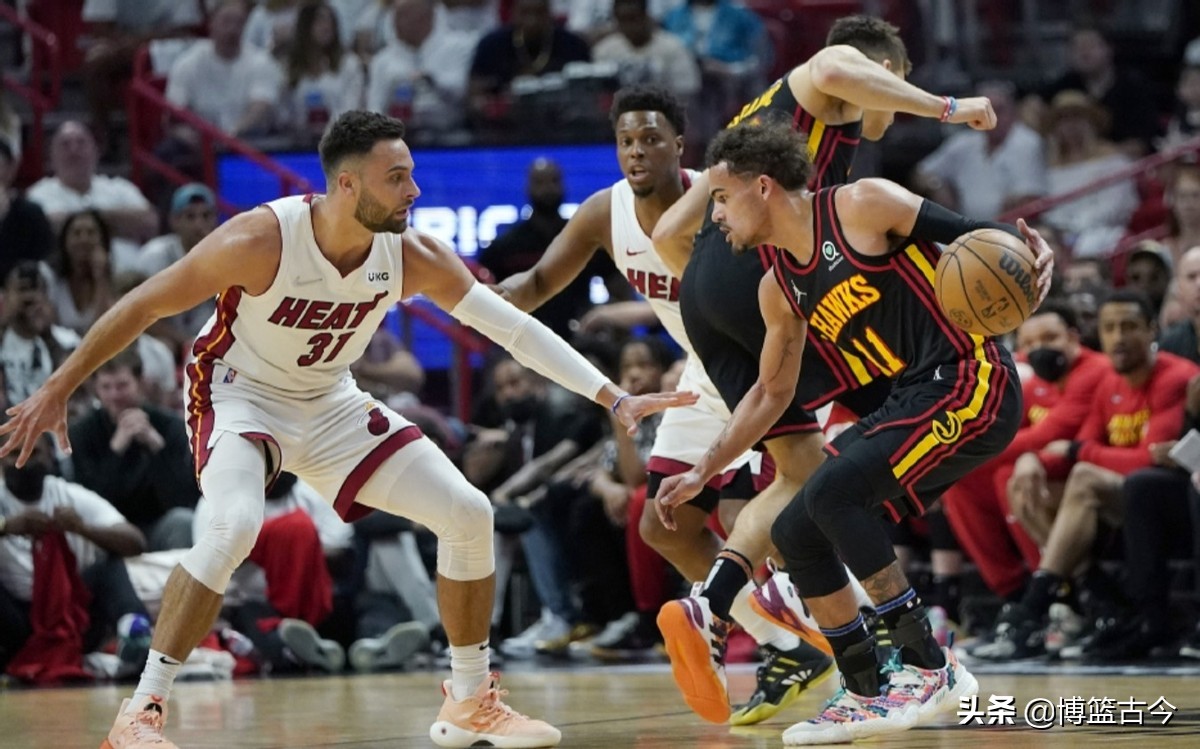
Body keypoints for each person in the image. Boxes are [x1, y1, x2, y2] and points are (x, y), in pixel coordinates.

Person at [0, 110, 694, 749]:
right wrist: (59, 386)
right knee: (231, 526)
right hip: (239, 396)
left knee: (468, 512)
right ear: (344, 184)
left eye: (413, 174)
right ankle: (140, 712)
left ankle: (470, 697)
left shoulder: (412, 254)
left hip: (328, 399)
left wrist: (609, 395)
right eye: (398, 178)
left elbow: (509, 327)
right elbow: (145, 304)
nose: (414, 191)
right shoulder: (260, 239)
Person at [646, 15, 999, 724]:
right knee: (836, 473)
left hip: (703, 293)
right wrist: (948, 107)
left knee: (810, 473)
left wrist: (720, 278)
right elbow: (839, 67)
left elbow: (662, 235)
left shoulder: (743, 136)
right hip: (765, 276)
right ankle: (885, 641)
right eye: (891, 88)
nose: (885, 114)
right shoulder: (829, 78)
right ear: (889, 71)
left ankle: (713, 600)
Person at [499, 85, 832, 722]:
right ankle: (785, 646)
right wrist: (464, 291)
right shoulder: (605, 212)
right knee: (661, 524)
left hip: (767, 359)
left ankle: (874, 645)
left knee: (784, 524)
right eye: (626, 141)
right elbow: (537, 284)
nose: (637, 151)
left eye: (651, 138)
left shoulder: (721, 197)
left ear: (680, 145)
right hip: (706, 368)